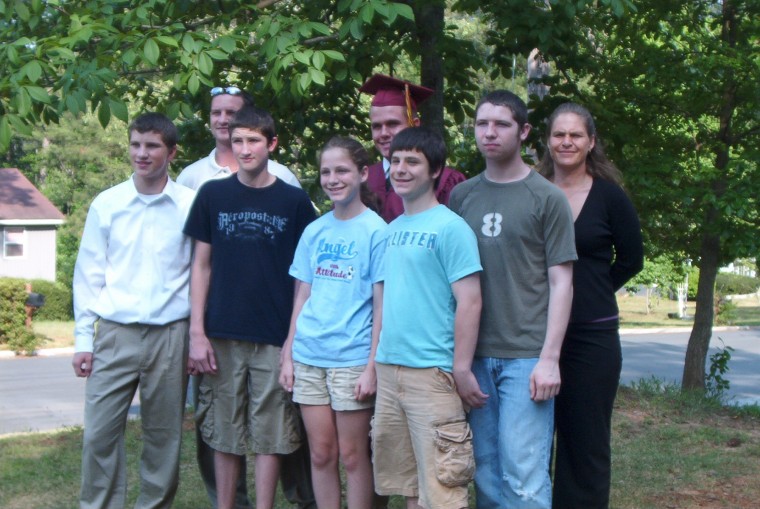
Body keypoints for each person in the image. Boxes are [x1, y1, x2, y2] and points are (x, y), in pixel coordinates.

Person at [178, 86, 315, 509]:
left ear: (272, 143)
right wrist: (196, 332)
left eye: (253, 140)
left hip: (273, 333)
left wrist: (293, 339)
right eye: (237, 141)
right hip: (221, 331)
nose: (244, 148)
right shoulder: (212, 195)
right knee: (223, 426)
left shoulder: (294, 201)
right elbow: (201, 265)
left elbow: (304, 278)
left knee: (272, 431)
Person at [448, 90, 577, 509]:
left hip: (526, 357)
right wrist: (458, 361)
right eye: (482, 123)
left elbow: (562, 283)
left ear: (523, 132)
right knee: (484, 471)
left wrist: (550, 358)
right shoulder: (462, 197)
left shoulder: (547, 198)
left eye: (501, 124)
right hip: (475, 356)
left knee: (524, 477)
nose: (489, 132)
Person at [72, 113, 196, 509]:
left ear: (171, 152)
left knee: (164, 437)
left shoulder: (190, 206)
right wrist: (81, 340)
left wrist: (197, 336)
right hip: (114, 332)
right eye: (136, 144)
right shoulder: (107, 204)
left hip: (170, 334)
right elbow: (88, 275)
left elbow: (200, 275)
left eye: (152, 146)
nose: (142, 154)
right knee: (98, 435)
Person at [536, 103, 643, 509]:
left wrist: (594, 291)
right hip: (533, 333)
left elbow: (632, 259)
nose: (566, 141)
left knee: (585, 444)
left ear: (591, 142)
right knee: (532, 442)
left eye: (575, 135)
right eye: (559, 134)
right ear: (547, 140)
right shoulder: (532, 189)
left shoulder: (610, 197)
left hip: (591, 339)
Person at [372, 126, 484, 509]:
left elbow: (469, 301)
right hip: (390, 371)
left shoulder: (451, 228)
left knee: (442, 487)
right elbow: (384, 301)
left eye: (412, 162)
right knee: (409, 485)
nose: (401, 169)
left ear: (435, 170)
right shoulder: (391, 230)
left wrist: (461, 368)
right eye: (396, 161)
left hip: (432, 375)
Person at [279, 136, 386, 509]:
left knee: (354, 457)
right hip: (310, 355)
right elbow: (302, 296)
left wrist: (372, 366)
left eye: (342, 170)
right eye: (326, 171)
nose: (333, 178)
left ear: (362, 174)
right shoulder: (315, 231)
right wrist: (289, 353)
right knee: (321, 454)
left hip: (352, 358)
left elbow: (381, 306)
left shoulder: (376, 231)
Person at [359, 74, 466, 222]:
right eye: (376, 126)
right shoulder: (361, 180)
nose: (383, 133)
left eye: (392, 124)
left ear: (414, 124)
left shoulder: (445, 181)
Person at [178, 86, 301, 190]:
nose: (222, 120)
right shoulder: (190, 177)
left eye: (231, 113)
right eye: (216, 113)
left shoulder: (281, 176)